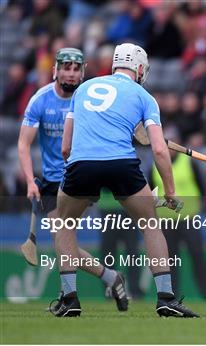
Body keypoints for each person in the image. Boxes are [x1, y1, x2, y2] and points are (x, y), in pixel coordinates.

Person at [53, 43, 198, 318]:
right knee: (150, 224)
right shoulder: (144, 96)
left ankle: (70, 299)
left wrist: (84, 181)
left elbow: (65, 148)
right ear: (140, 69)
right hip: (122, 163)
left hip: (81, 163)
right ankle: (166, 298)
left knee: (64, 226)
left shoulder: (83, 89)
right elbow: (158, 149)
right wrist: (169, 191)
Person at [17, 48, 128, 313]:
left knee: (61, 236)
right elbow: (23, 144)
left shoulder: (91, 98)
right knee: (64, 241)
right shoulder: (40, 100)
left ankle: (70, 298)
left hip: (80, 176)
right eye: (65, 67)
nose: (70, 73)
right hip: (50, 181)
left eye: (76, 69)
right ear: (55, 70)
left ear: (83, 71)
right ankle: (110, 278)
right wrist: (30, 181)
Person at [151, 126, 206, 300]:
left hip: (189, 218)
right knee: (171, 261)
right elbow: (152, 192)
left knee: (198, 257)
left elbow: (202, 188)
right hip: (166, 221)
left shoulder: (189, 162)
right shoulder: (155, 164)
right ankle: (172, 297)